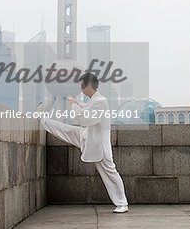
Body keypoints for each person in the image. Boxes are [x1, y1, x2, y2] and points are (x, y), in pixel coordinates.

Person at [36, 72, 129, 213]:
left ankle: (122, 203)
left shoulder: (100, 101)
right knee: (66, 130)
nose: (81, 89)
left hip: (98, 143)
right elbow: (86, 108)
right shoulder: (95, 100)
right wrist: (77, 103)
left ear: (89, 86)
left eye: (82, 86)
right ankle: (43, 119)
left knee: (110, 172)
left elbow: (84, 117)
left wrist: (74, 105)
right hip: (88, 137)